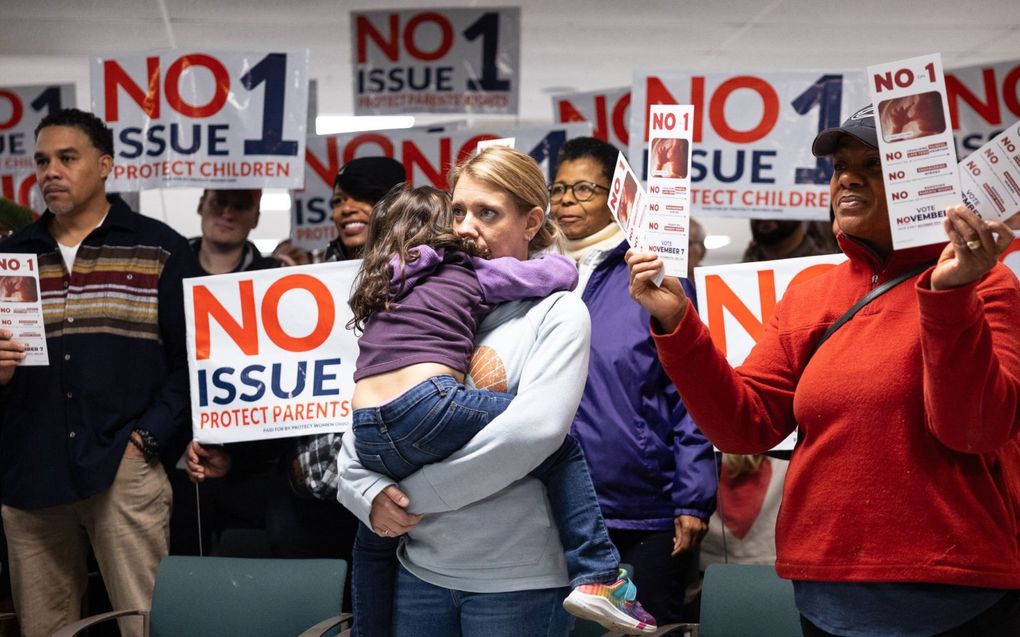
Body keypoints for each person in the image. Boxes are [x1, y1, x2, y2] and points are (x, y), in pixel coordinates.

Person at [626, 105, 1020, 636]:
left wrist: (950, 295)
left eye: (874, 164)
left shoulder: (987, 285)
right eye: (839, 166)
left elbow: (975, 429)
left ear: (924, 180)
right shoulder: (811, 293)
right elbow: (744, 425)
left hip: (957, 591)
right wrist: (678, 321)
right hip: (825, 594)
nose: (849, 177)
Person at [347, 184, 654, 635]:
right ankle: (599, 574)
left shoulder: (393, 286)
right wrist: (366, 495)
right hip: (421, 566)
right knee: (562, 450)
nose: (467, 227)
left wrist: (394, 501)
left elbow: (533, 432)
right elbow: (348, 442)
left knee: (545, 437)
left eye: (486, 213)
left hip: (515, 577)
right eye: (456, 212)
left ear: (531, 222)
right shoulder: (461, 276)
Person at [0, 108, 201, 637]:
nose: (51, 172)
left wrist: (148, 440)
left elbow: (192, 362)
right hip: (28, 470)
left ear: (105, 164)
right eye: (42, 160)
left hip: (123, 467)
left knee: (146, 623)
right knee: (44, 628)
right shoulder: (10, 258)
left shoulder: (159, 247)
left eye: (67, 158)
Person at [550, 136, 716, 624]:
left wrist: (693, 496)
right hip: (556, 505)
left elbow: (691, 393)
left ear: (617, 195)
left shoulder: (653, 276)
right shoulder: (538, 274)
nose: (566, 200)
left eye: (584, 189)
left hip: (645, 508)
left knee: (648, 629)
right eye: (559, 188)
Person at [324, 156, 407, 262]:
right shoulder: (321, 272)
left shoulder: (428, 274)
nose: (346, 209)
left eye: (361, 197)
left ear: (395, 205)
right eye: (338, 201)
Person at [190, 189, 280, 275]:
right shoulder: (176, 262)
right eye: (219, 202)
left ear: (256, 218)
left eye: (240, 206)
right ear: (201, 205)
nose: (227, 214)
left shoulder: (273, 274)